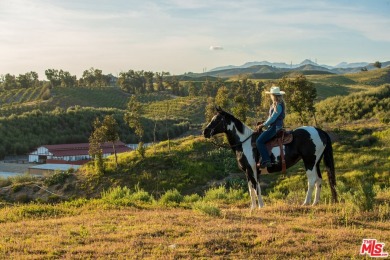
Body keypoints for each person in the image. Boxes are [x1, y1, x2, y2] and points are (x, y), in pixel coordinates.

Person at [256, 86, 286, 168]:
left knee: (259, 141)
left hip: (275, 127)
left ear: (274, 96)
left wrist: (263, 125)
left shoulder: (278, 105)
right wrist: (264, 123)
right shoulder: (274, 104)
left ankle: (266, 160)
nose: (270, 96)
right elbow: (270, 117)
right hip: (273, 126)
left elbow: (273, 118)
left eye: (271, 95)